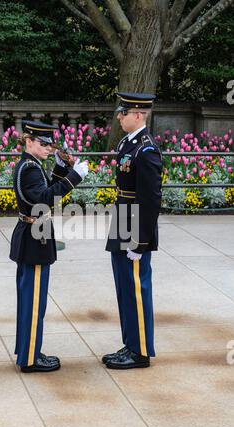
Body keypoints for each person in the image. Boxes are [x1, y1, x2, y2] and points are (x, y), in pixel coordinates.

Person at [10, 120, 88, 373]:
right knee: (34, 302)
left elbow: (42, 190)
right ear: (28, 141)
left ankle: (27, 351)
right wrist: (75, 177)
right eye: (42, 143)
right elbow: (44, 199)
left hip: (33, 233)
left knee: (30, 300)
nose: (47, 147)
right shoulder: (30, 168)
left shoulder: (31, 165)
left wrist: (60, 169)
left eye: (49, 144)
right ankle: (31, 358)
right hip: (35, 237)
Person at [104, 92, 162, 369]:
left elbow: (150, 200)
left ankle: (140, 352)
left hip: (135, 225)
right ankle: (130, 344)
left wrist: (140, 241)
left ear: (138, 115)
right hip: (123, 219)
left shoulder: (146, 149)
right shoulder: (129, 144)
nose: (119, 116)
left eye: (123, 112)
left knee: (137, 288)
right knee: (125, 288)